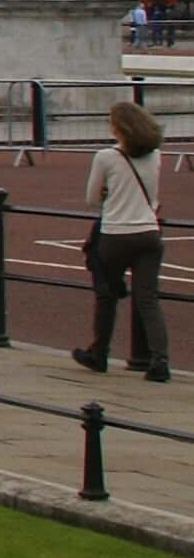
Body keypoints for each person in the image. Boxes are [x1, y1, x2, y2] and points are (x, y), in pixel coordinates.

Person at [74, 101, 168, 381]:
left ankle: (99, 353)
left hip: (115, 234)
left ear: (119, 128)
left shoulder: (106, 157)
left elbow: (92, 199)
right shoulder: (155, 156)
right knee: (148, 299)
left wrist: (107, 193)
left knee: (106, 296)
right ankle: (160, 360)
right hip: (149, 233)